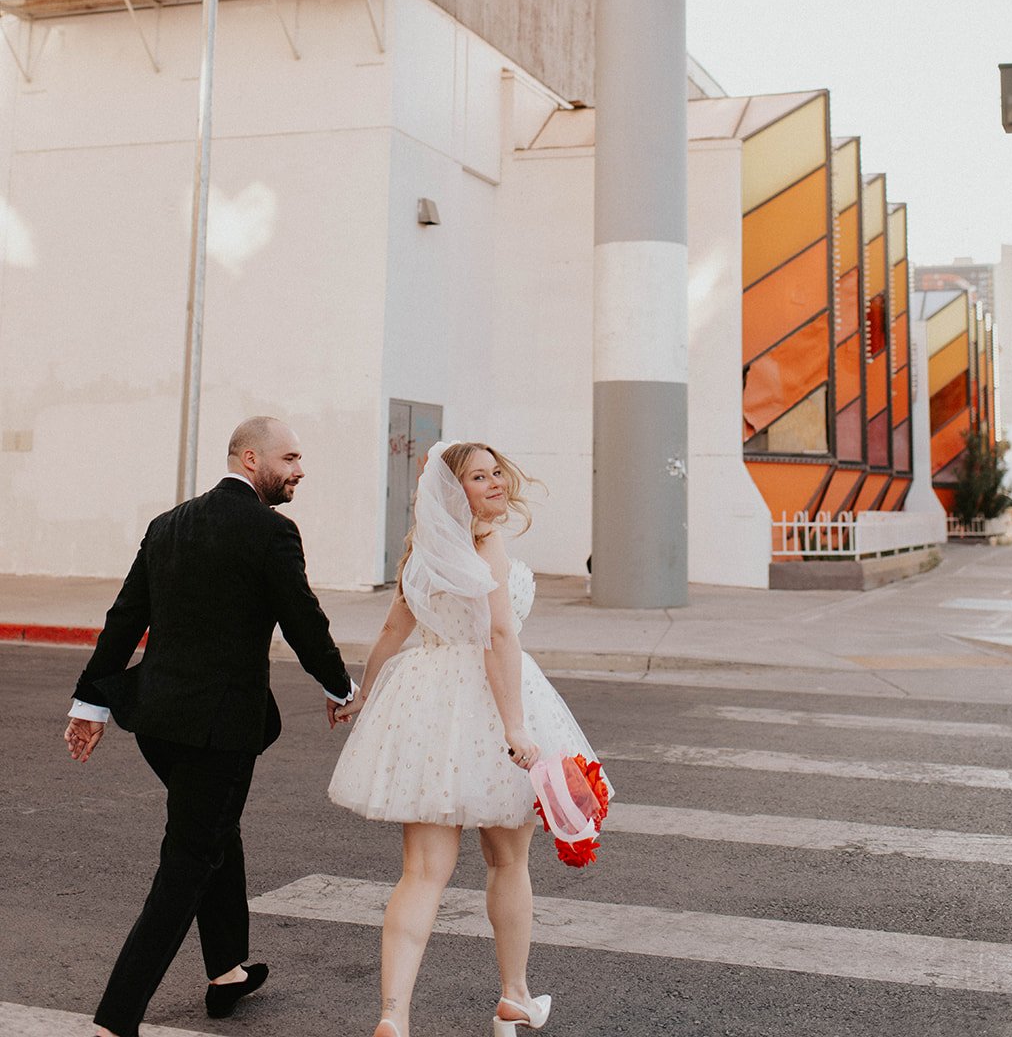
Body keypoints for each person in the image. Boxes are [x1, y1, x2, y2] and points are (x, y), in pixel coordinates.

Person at [64, 416, 355, 1037]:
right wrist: (341, 687)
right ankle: (113, 1021)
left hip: (156, 722)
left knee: (213, 824)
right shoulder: (272, 532)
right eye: (292, 457)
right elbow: (303, 619)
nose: (300, 470)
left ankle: (226, 970)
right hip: (218, 727)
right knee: (190, 857)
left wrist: (89, 706)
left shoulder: (167, 525)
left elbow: (124, 619)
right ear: (251, 458)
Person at [328, 440, 608, 1037]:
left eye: (496, 473)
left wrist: (364, 696)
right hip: (491, 701)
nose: (496, 484)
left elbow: (391, 630)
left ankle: (394, 1017)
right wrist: (514, 727)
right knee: (508, 860)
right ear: (456, 492)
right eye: (479, 478)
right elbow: (500, 635)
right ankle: (514, 995)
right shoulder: (486, 541)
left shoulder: (422, 548)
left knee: (423, 872)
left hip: (427, 705)